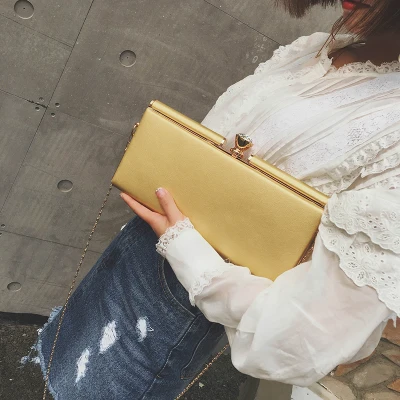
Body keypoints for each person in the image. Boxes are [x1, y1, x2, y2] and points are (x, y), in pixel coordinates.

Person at [31, 0, 400, 398]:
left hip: (184, 298)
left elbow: (303, 339)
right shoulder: (318, 47)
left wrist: (185, 248)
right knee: (62, 366)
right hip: (135, 251)